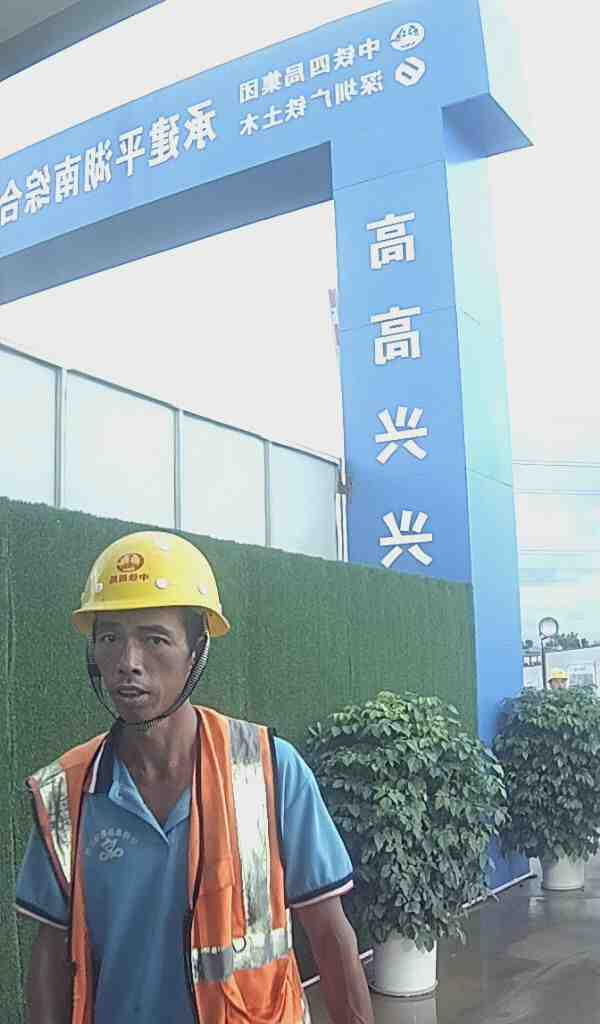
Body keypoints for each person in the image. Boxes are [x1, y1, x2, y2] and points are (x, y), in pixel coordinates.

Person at [16, 531, 374, 1024]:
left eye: (154, 639)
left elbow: (330, 934)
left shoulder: (270, 769)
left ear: (196, 650)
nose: (128, 663)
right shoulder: (65, 793)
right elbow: (51, 956)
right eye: (110, 638)